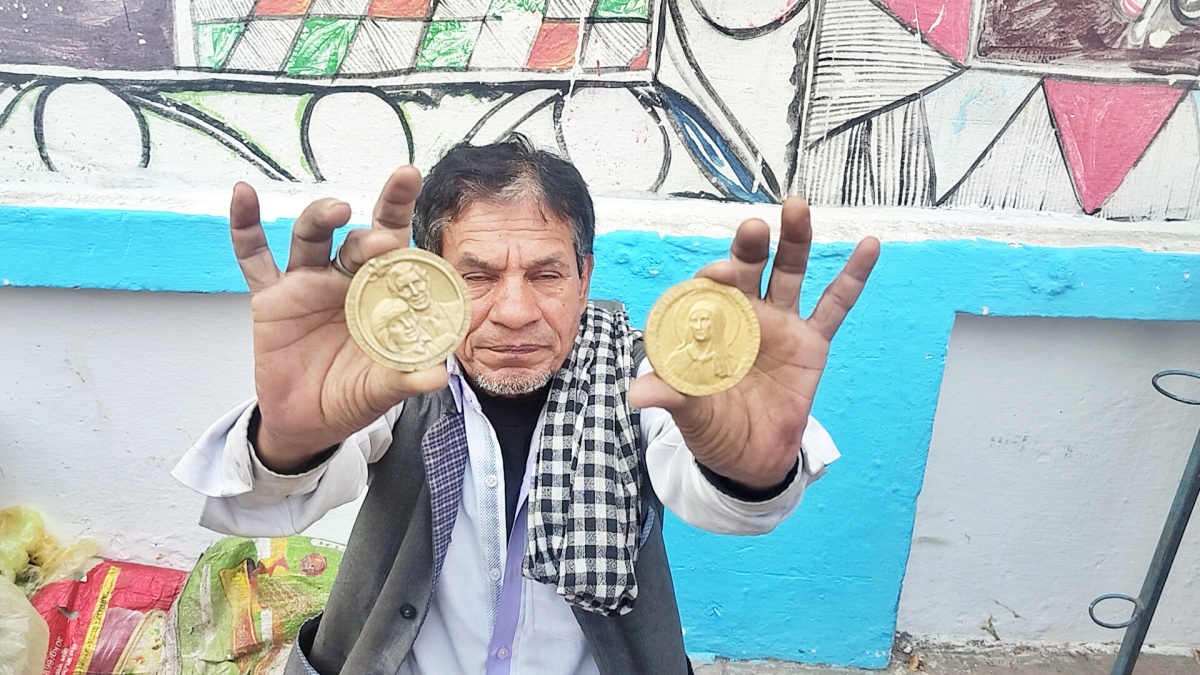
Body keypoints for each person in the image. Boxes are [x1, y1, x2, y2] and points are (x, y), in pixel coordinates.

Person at [172, 136, 880, 675]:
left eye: (545, 273)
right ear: (428, 276)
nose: (514, 311)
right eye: (476, 275)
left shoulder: (654, 381)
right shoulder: (390, 381)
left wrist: (748, 473)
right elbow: (263, 504)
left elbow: (715, 491)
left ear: (584, 276)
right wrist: (290, 440)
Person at [664, 299, 737, 387]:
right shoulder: (675, 361)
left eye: (704, 320)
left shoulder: (730, 363)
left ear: (716, 323)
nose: (698, 327)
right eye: (694, 320)